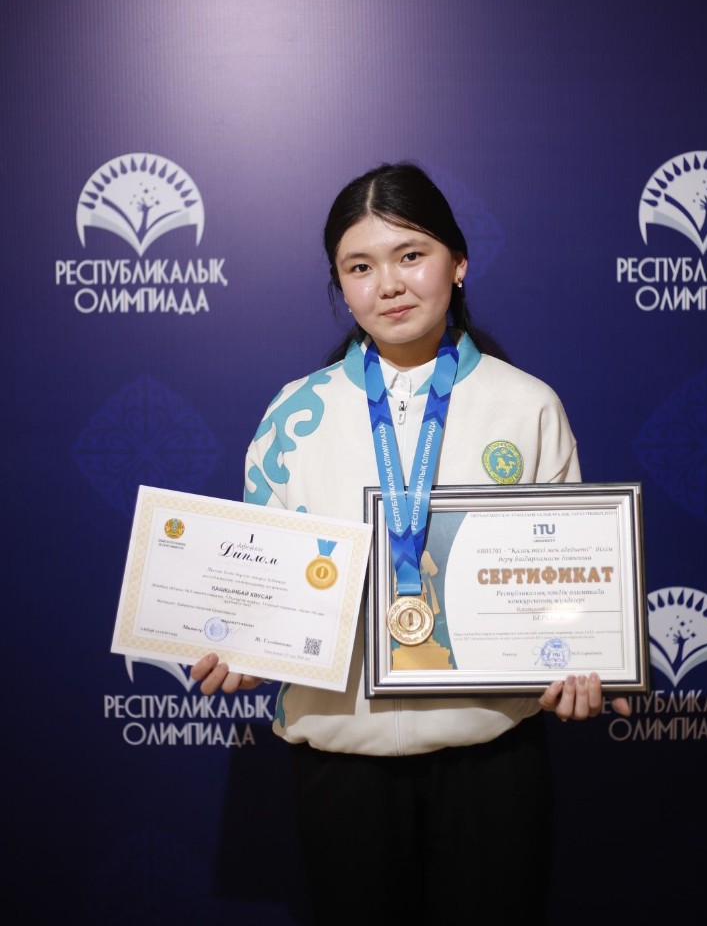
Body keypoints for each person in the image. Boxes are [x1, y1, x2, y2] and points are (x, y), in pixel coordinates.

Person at [192, 162, 630, 925]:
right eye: (359, 267)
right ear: (339, 285)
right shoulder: (293, 414)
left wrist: (585, 657)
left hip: (491, 758)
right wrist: (247, 644)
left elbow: (564, 584)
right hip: (340, 762)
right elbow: (264, 584)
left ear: (457, 263)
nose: (388, 285)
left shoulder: (525, 404)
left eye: (410, 255)